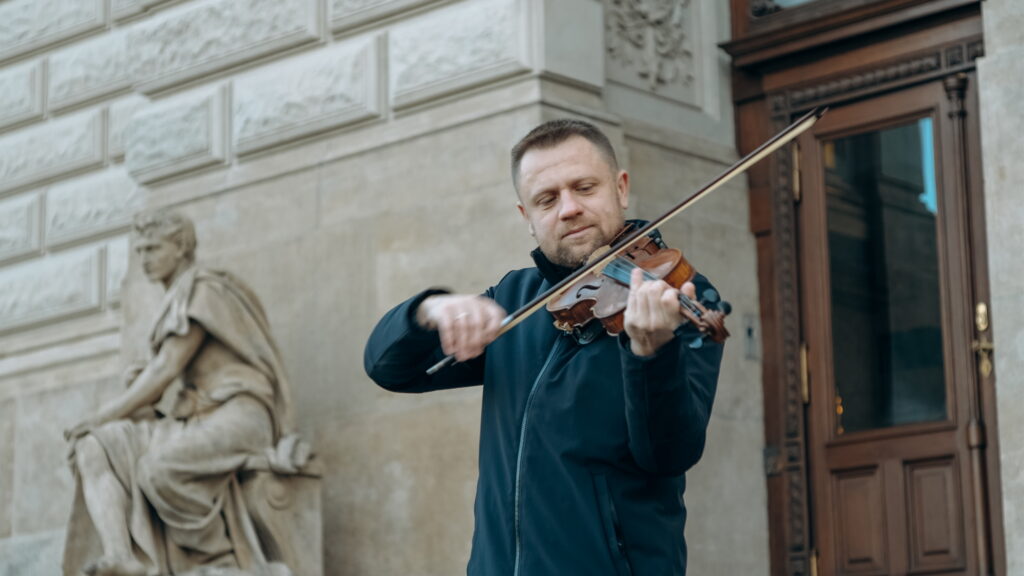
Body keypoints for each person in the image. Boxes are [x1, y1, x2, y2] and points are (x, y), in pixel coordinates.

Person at [364, 119, 724, 575]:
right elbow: (389, 369)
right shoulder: (515, 300)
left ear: (621, 188)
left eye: (584, 188)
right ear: (527, 219)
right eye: (547, 199)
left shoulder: (682, 295)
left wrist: (652, 354)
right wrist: (426, 311)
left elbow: (669, 453)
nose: (569, 208)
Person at [64, 211, 303, 576]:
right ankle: (120, 556)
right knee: (95, 446)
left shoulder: (203, 289)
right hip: (194, 418)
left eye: (153, 249)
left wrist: (103, 413)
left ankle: (219, 558)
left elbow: (167, 369)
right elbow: (167, 372)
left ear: (181, 248)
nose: (144, 259)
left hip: (239, 415)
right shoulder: (177, 295)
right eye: (140, 250)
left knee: (159, 470)